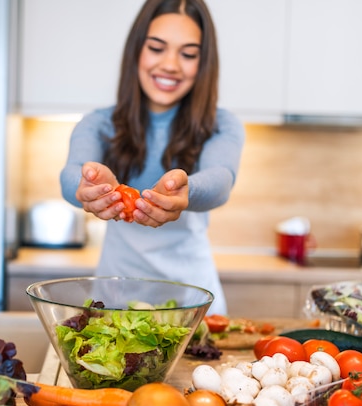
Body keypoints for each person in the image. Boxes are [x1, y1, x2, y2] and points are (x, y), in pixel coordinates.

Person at [59, 0, 245, 315]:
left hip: (193, 306)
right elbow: (70, 175)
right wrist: (86, 185)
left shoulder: (221, 124)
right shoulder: (98, 123)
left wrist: (186, 191)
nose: (171, 65)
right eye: (157, 48)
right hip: (114, 303)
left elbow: (221, 178)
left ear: (204, 63)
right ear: (137, 52)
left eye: (188, 54)